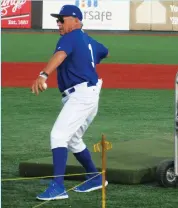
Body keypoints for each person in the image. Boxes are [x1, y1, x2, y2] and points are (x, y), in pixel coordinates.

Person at [31, 4, 109, 201]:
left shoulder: (71, 37)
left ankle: (58, 186)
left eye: (61, 19)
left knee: (58, 135)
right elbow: (104, 51)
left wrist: (43, 75)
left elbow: (60, 55)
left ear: (76, 21)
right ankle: (94, 177)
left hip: (81, 95)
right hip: (89, 93)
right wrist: (86, 49)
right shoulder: (84, 38)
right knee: (73, 139)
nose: (58, 23)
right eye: (57, 20)